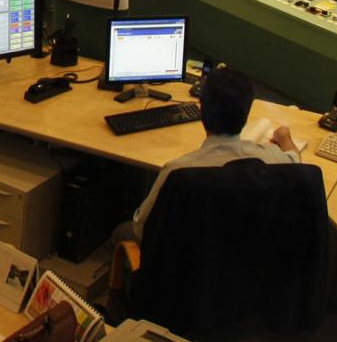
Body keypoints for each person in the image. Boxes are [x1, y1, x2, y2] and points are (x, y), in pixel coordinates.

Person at [125, 66, 299, 235]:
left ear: (202, 110)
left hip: (186, 260)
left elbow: (141, 228)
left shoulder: (177, 171)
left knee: (121, 232)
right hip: (245, 257)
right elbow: (295, 159)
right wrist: (285, 138)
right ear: (246, 113)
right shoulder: (274, 159)